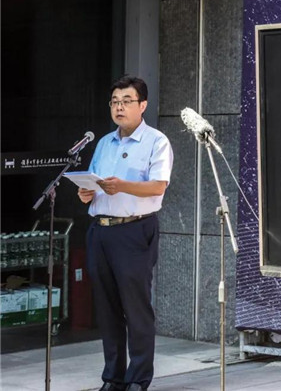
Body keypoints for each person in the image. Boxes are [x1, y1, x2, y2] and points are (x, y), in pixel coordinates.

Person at [78, 75, 173, 391]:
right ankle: (113, 377)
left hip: (134, 230)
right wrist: (86, 193)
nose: (119, 107)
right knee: (107, 309)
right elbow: (94, 182)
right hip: (100, 231)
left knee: (136, 308)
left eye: (126, 101)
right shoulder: (104, 143)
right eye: (115, 102)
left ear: (142, 105)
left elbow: (158, 186)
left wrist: (122, 186)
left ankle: (138, 379)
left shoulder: (156, 141)